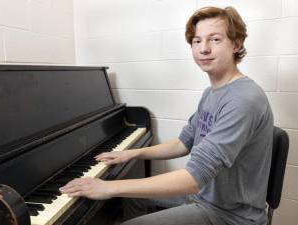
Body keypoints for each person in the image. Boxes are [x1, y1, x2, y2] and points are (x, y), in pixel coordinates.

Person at [60, 6, 274, 225]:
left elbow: (194, 179)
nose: (204, 49)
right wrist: (133, 153)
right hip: (205, 197)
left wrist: (109, 187)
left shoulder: (244, 99)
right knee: (131, 199)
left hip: (230, 216)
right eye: (197, 41)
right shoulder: (211, 93)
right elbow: (183, 143)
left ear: (236, 45)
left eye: (215, 39)